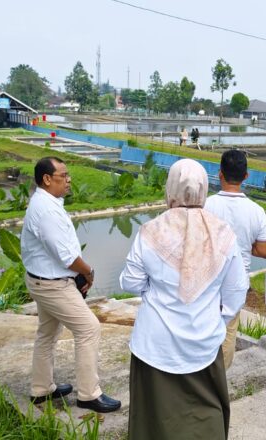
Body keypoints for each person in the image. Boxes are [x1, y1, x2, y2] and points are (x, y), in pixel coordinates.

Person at [120, 159, 248, 440]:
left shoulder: (151, 231)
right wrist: (216, 318)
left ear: (170, 189)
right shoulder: (222, 233)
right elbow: (237, 290)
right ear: (204, 188)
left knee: (154, 418)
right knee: (205, 410)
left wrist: (154, 290)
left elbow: (130, 281)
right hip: (203, 342)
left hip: (155, 345)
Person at [21, 157, 121, 413]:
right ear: (47, 179)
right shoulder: (46, 211)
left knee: (47, 333)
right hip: (52, 285)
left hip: (44, 280)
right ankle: (89, 394)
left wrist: (76, 276)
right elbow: (66, 256)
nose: (69, 180)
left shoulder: (45, 203)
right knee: (89, 328)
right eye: (63, 175)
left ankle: (41, 389)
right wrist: (88, 272)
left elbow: (59, 255)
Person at [204, 149, 266, 369]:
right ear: (246, 176)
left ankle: (199, 374)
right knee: (228, 332)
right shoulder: (256, 211)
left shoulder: (206, 206)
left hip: (206, 279)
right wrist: (242, 244)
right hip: (236, 283)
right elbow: (264, 250)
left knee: (202, 327)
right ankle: (218, 381)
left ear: (219, 173)